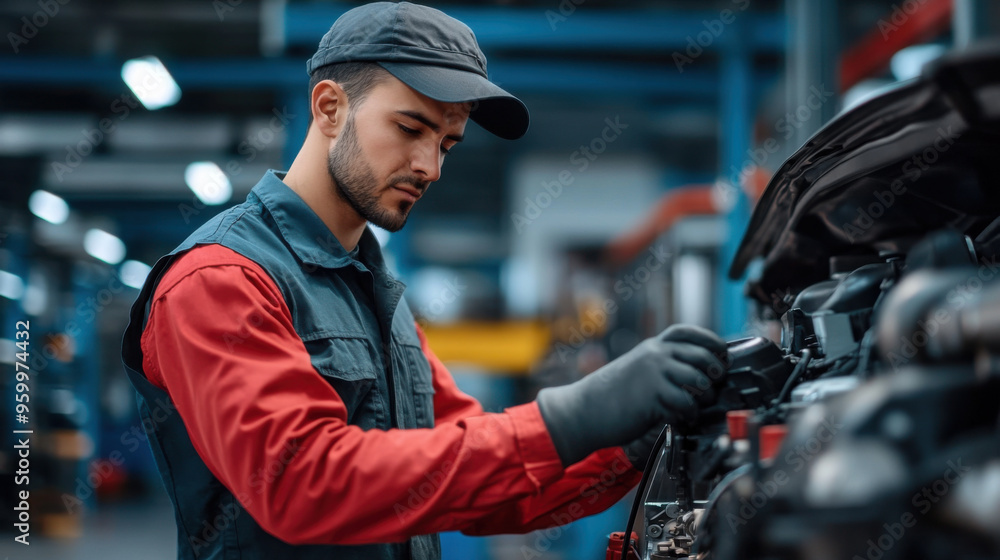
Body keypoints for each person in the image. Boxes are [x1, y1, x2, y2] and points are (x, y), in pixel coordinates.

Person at [120, 3, 728, 559]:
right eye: (411, 129)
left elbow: (484, 482)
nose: (431, 166)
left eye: (448, 142)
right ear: (329, 107)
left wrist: (628, 442)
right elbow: (300, 482)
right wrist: (569, 415)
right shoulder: (221, 280)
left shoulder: (377, 296)